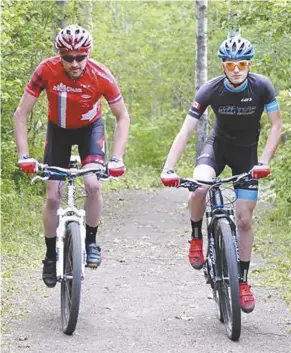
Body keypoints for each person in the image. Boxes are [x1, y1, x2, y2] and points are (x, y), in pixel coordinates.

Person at [160, 35, 282, 314]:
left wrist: (264, 161)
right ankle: (195, 237)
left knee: (244, 219)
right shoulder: (210, 89)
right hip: (217, 148)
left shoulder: (262, 87)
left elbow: (276, 126)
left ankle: (243, 282)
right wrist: (168, 167)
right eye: (230, 64)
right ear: (223, 66)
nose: (236, 69)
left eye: (241, 63)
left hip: (247, 156)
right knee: (200, 186)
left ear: (249, 64)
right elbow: (185, 131)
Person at [14, 25, 130, 288]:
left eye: (80, 56)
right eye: (68, 57)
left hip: (91, 130)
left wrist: (117, 158)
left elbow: (122, 117)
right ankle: (49, 256)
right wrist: (24, 155)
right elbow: (21, 113)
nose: (75, 63)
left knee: (92, 184)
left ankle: (91, 241)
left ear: (88, 54)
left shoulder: (101, 75)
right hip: (59, 132)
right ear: (60, 56)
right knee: (53, 196)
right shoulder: (46, 70)